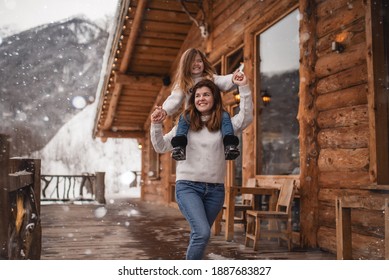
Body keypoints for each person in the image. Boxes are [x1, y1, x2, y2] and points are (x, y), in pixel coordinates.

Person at [150, 73, 253, 260]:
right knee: (203, 233)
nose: (201, 98)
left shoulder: (225, 123)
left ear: (214, 97)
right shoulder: (184, 124)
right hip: (188, 187)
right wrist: (156, 126)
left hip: (215, 190)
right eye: (197, 95)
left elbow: (246, 117)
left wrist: (244, 88)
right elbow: (160, 146)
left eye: (206, 94)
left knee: (199, 235)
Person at [152, 48, 241, 161]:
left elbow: (223, 81)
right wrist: (164, 110)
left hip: (212, 113)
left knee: (225, 116)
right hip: (192, 114)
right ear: (186, 65)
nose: (196, 64)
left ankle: (230, 145)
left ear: (204, 62)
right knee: (183, 119)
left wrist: (233, 78)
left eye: (199, 61)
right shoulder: (184, 83)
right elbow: (174, 99)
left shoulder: (210, 78)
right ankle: (179, 146)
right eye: (192, 61)